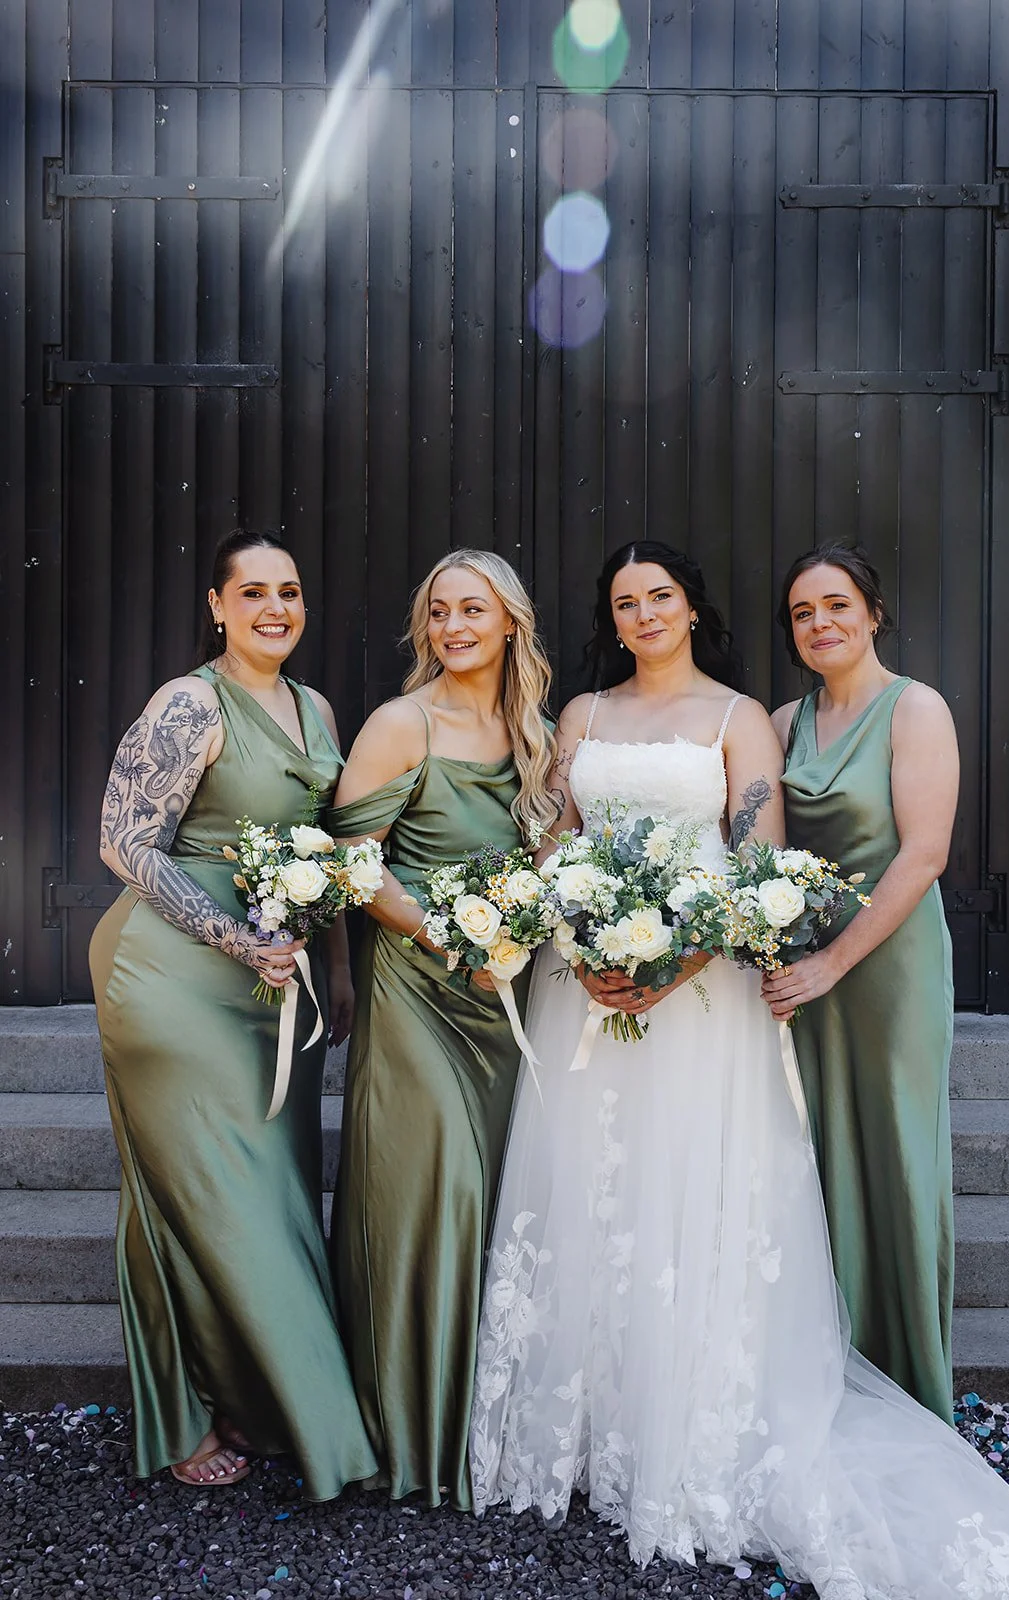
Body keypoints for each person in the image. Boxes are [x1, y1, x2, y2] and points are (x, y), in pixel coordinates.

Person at [469, 540, 1009, 1589]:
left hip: (701, 990)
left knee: (692, 1190)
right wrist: (575, 936)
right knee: (593, 1192)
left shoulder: (743, 718)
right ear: (610, 621)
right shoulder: (582, 719)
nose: (644, 612)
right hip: (589, 989)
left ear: (691, 609)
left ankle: (694, 1424)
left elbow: (751, 862)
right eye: (624, 601)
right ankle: (597, 1420)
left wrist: (672, 958)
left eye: (660, 595)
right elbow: (556, 839)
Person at [89, 530, 377, 1497]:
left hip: (278, 979)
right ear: (216, 605)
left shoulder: (314, 706)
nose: (274, 608)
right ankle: (208, 1412)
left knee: (276, 1192)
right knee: (214, 1195)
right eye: (251, 592)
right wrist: (232, 938)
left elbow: (323, 847)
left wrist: (333, 968)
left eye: (289, 591)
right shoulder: (187, 703)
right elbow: (124, 843)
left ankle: (259, 1402)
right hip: (174, 975)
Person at [326, 548, 556, 1509]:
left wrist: (520, 931)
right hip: (417, 987)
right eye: (438, 612)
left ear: (510, 623)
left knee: (500, 1193)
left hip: (503, 997)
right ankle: (407, 1427)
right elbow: (345, 856)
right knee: (437, 1188)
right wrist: (444, 935)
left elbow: (548, 860)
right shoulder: (400, 722)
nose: (453, 627)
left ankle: (484, 1421)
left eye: (473, 610)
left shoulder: (534, 734)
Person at [762, 542, 958, 1423]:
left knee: (893, 1147)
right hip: (801, 968)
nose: (820, 624)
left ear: (872, 613)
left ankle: (910, 1377)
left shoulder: (914, 709)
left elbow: (924, 853)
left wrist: (831, 964)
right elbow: (751, 846)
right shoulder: (779, 723)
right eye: (803, 613)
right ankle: (832, 1374)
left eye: (836, 606)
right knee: (817, 1151)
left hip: (885, 966)